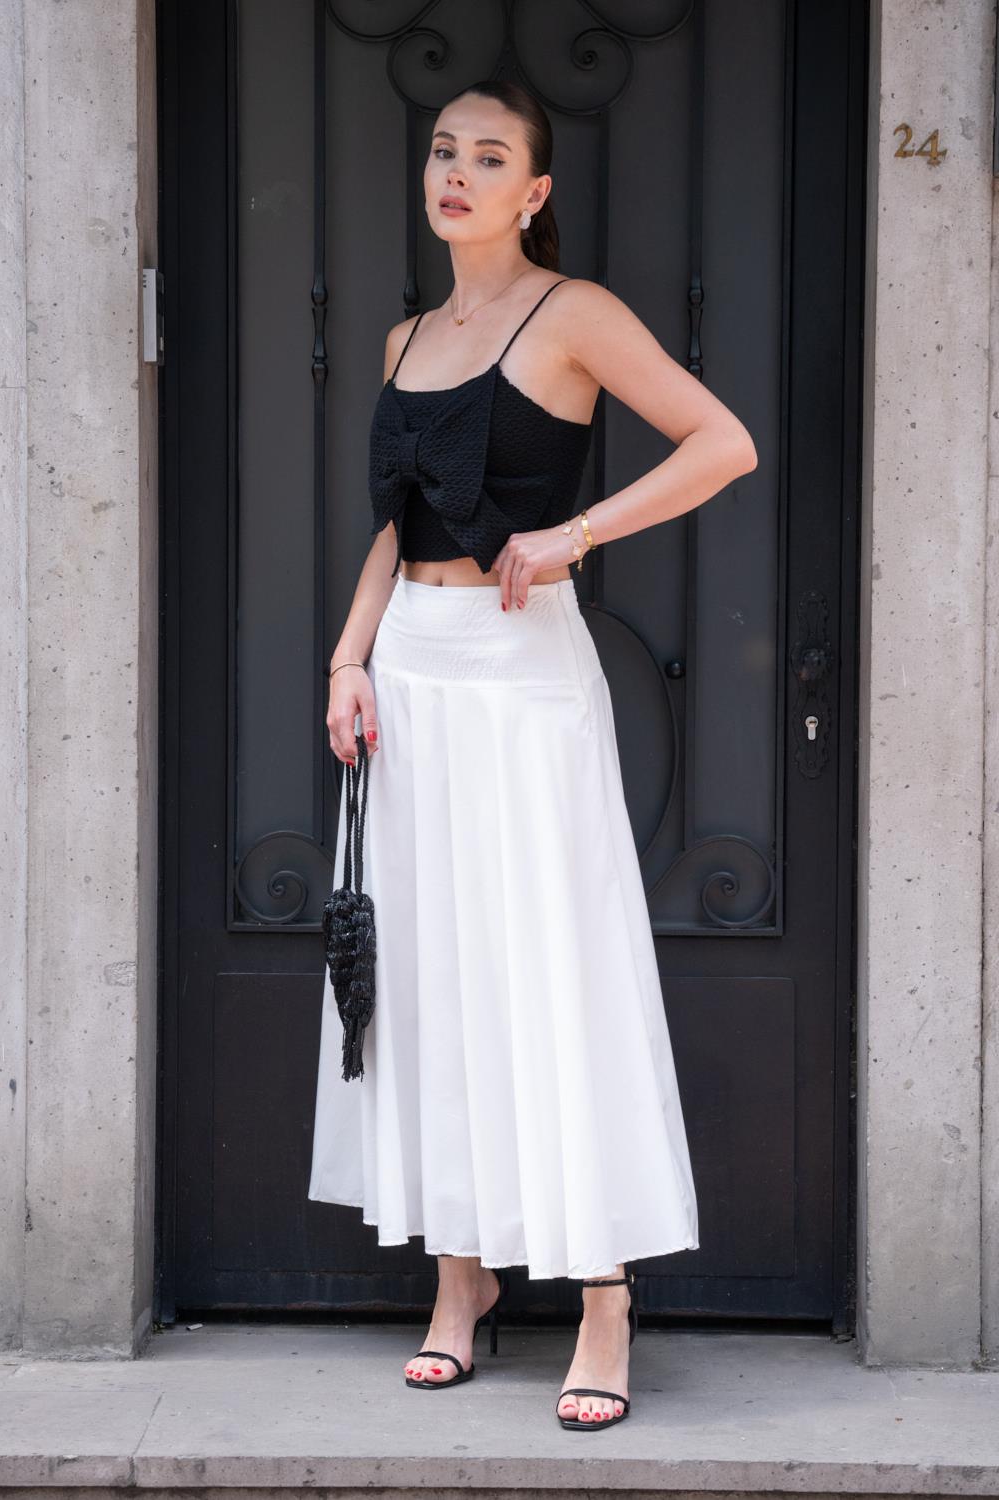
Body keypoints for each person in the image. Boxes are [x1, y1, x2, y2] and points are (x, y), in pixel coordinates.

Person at [308, 77, 757, 1431]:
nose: (456, 172)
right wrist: (346, 656)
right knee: (432, 971)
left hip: (524, 675)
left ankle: (605, 1298)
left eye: (488, 156)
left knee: (552, 964)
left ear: (534, 193)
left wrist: (581, 532)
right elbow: (400, 524)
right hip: (415, 679)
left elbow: (723, 443)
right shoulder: (402, 338)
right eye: (445, 149)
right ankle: (462, 1281)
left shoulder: (577, 316)